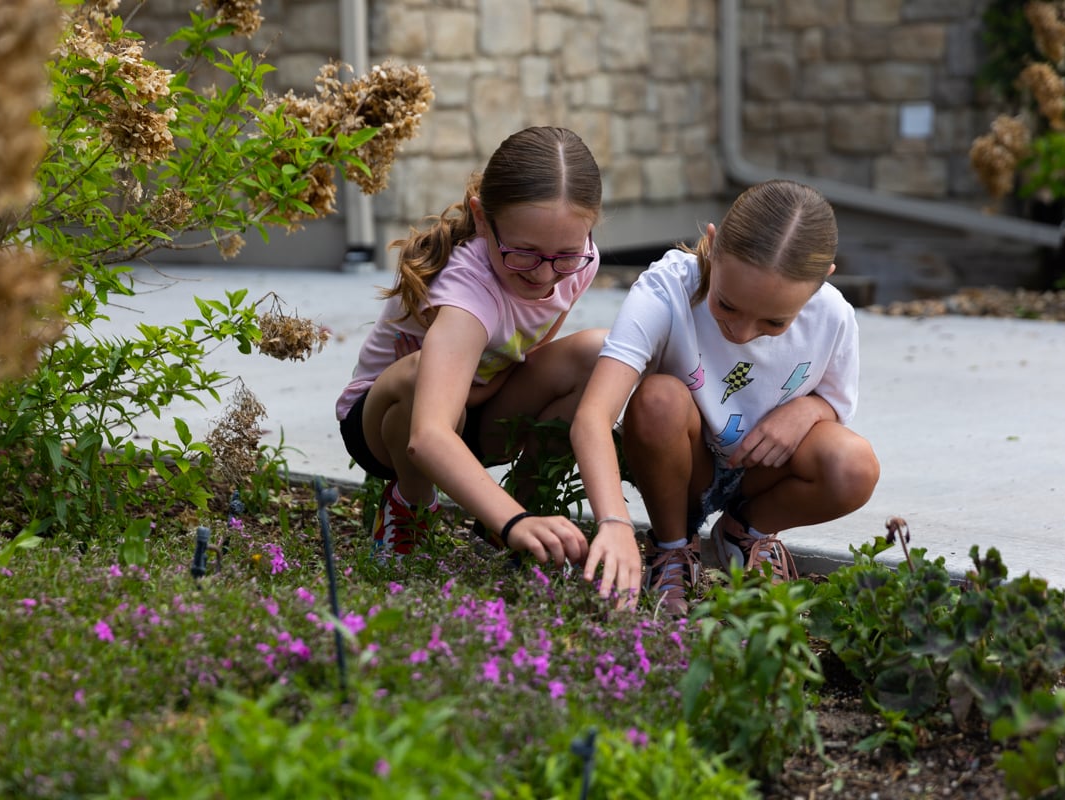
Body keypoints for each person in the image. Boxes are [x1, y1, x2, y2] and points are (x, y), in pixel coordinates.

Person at [571, 179, 880, 615]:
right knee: (658, 398)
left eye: (773, 322)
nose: (743, 332)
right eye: (727, 305)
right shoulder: (668, 288)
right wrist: (614, 522)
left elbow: (835, 406)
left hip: (761, 471)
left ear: (817, 285)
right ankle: (672, 546)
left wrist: (810, 408)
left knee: (853, 465)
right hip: (682, 464)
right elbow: (593, 417)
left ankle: (745, 533)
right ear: (712, 246)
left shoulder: (833, 316)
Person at [336, 126, 605, 566]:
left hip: (481, 409)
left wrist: (481, 391)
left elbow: (527, 354)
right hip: (387, 427)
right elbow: (428, 434)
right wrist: (512, 520)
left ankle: (516, 514)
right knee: (423, 372)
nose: (543, 275)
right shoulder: (468, 290)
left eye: (566, 254)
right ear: (482, 220)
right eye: (524, 253)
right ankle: (411, 507)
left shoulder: (572, 263)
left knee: (598, 356)